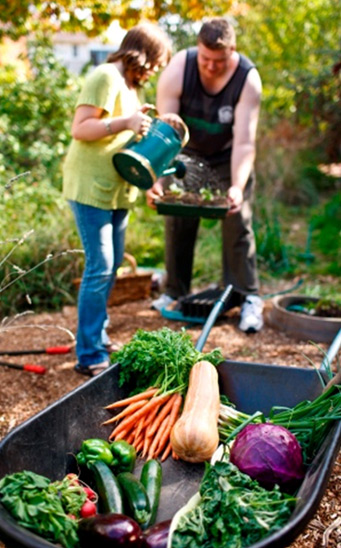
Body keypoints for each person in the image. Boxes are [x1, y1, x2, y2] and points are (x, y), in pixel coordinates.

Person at [63, 22, 172, 376]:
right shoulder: (105, 76)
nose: (156, 69)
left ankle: (98, 335)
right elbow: (81, 128)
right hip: (91, 188)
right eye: (156, 61)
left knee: (110, 271)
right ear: (142, 52)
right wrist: (125, 122)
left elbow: (126, 146)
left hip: (117, 191)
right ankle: (90, 354)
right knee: (100, 268)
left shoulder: (130, 87)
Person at [147, 17, 264, 333]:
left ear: (232, 51)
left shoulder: (247, 79)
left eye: (219, 60)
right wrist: (158, 178)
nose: (211, 67)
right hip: (187, 154)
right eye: (205, 59)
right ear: (197, 50)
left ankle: (246, 297)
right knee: (178, 217)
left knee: (237, 222)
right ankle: (174, 291)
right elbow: (165, 133)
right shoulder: (178, 69)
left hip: (229, 156)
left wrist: (237, 186)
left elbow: (244, 142)